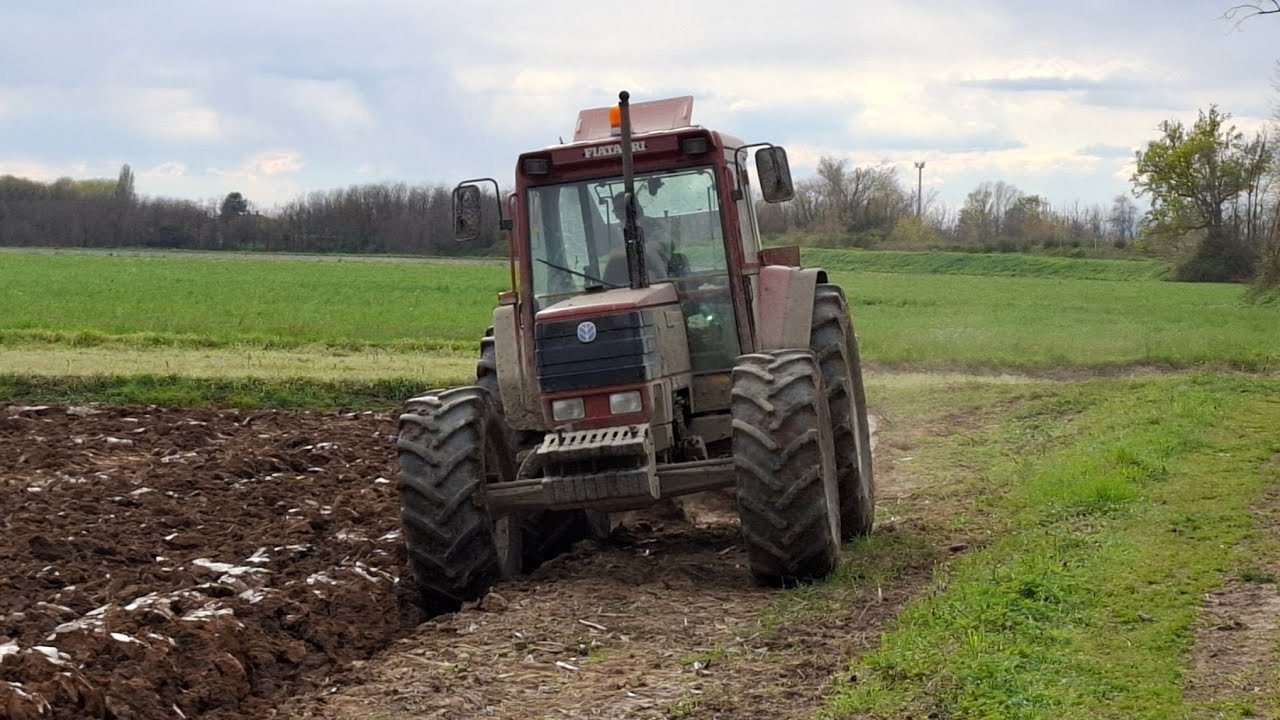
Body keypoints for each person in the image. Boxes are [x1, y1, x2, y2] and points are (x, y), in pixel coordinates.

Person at [603, 192, 672, 285]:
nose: (617, 214)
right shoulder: (616, 231)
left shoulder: (651, 224)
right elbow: (611, 254)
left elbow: (661, 245)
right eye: (616, 210)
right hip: (624, 282)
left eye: (620, 209)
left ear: (635, 207)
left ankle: (663, 281)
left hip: (656, 275)